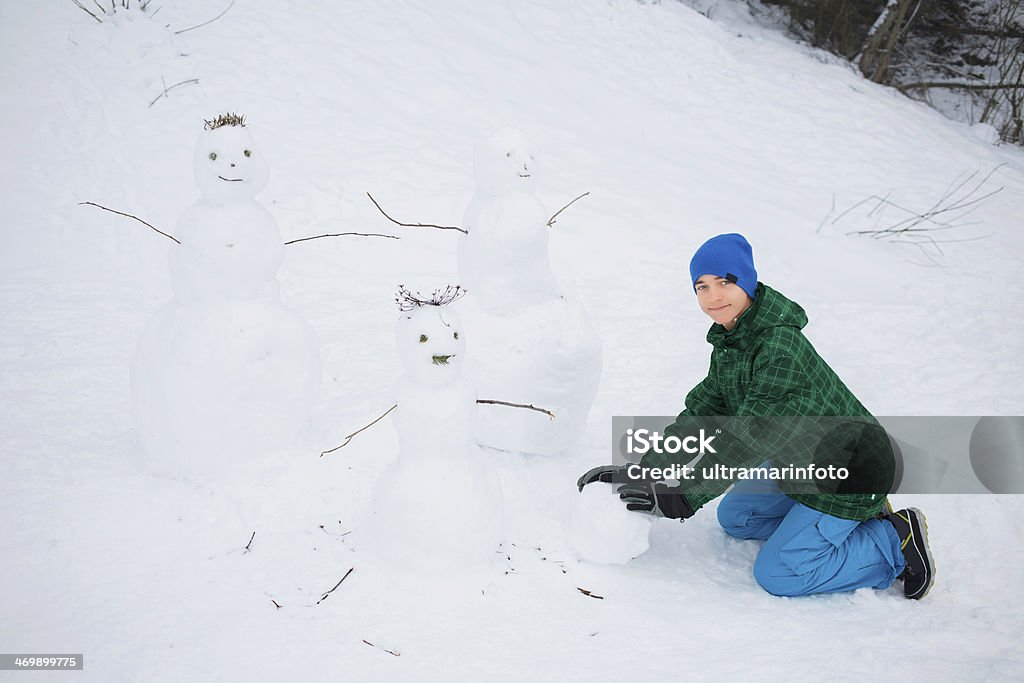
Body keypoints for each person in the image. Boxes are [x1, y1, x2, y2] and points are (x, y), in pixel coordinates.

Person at [578, 233, 935, 599]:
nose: (713, 297)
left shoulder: (780, 348)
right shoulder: (733, 341)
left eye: (725, 282)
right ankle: (846, 520)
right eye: (701, 286)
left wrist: (685, 495)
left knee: (780, 574)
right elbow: (704, 413)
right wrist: (648, 470)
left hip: (850, 472)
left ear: (747, 282)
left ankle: (892, 538)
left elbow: (750, 436)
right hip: (799, 460)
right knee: (737, 518)